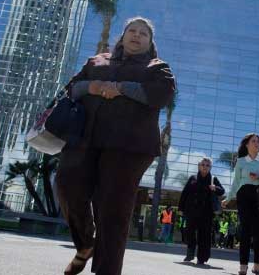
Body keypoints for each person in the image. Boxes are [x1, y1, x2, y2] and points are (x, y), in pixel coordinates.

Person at [55, 17, 175, 275]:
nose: (137, 35)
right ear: (122, 36)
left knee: (112, 210)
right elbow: (71, 89)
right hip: (84, 139)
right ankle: (86, 243)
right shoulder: (97, 61)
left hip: (129, 147)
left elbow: (162, 94)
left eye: (144, 33)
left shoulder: (157, 67)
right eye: (132, 30)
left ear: (150, 43)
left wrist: (121, 88)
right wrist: (94, 86)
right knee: (66, 186)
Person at [223, 133, 259, 275]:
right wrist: (228, 199)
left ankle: (257, 264)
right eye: (254, 141)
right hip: (244, 195)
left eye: (258, 141)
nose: (257, 143)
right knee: (245, 230)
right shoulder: (241, 161)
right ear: (247, 144)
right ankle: (243, 265)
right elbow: (236, 182)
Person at [178, 157, 225, 265]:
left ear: (210, 168)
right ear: (199, 166)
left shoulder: (213, 179)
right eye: (203, 165)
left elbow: (222, 191)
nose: (205, 167)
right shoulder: (193, 178)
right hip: (191, 211)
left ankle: (202, 258)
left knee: (204, 236)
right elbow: (184, 193)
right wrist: (181, 208)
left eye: (207, 165)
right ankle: (190, 252)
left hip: (206, 213)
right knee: (189, 232)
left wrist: (215, 188)